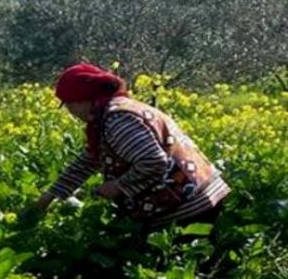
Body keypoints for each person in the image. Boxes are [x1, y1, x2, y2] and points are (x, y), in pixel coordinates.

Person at [35, 63, 230, 230]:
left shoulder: (118, 119)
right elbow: (89, 160)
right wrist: (53, 194)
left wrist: (119, 186)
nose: (70, 112)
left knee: (185, 267)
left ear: (84, 99)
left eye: (69, 104)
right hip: (197, 195)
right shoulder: (114, 112)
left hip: (186, 206)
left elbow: (153, 162)